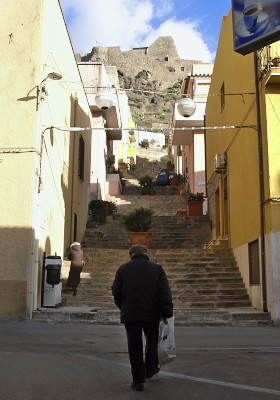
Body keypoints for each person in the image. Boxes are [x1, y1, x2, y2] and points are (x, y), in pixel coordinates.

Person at [112, 244, 173, 392]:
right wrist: (166, 313)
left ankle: (138, 381)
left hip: (131, 314)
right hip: (152, 314)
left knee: (134, 346)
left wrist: (124, 306)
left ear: (130, 255)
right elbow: (164, 293)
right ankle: (150, 369)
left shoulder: (123, 269)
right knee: (152, 341)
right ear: (146, 254)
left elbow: (116, 292)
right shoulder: (157, 269)